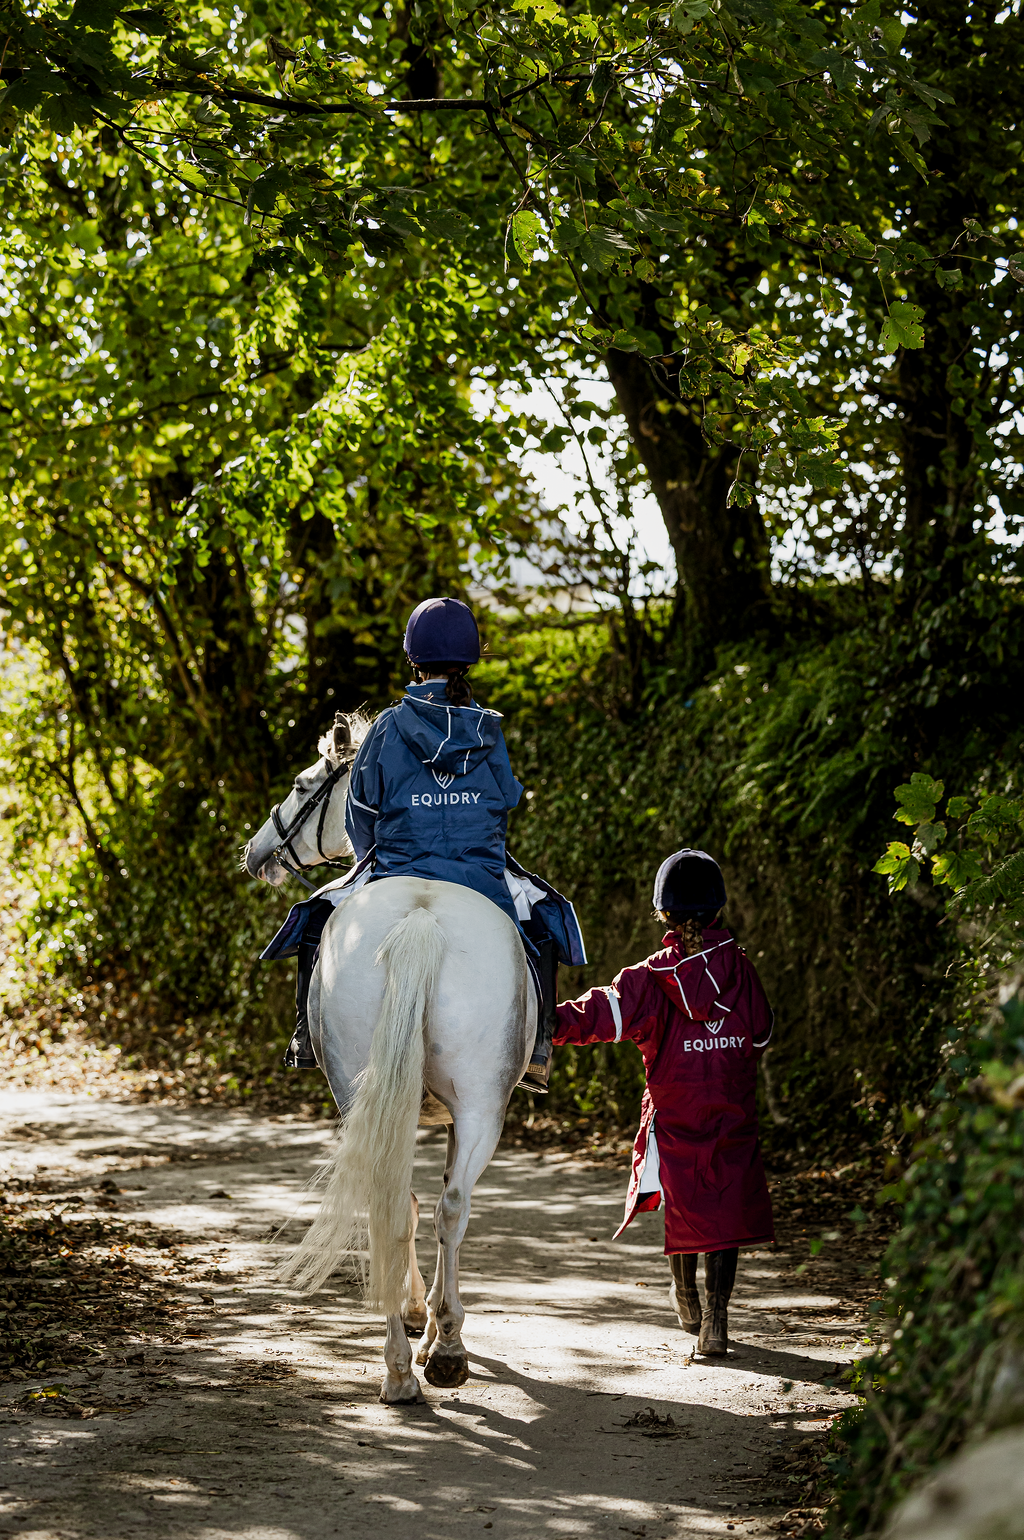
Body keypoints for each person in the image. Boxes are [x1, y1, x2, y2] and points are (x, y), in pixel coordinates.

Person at [275, 596, 584, 1092]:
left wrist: (378, 853)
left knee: (315, 920)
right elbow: (505, 799)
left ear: (412, 659)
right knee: (545, 922)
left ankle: (307, 1040)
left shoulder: (386, 728)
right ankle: (537, 1049)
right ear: (469, 660)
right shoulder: (489, 728)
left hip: (397, 870)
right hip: (480, 876)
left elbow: (360, 816)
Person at [552, 848, 775, 1355]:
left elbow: (598, 1017)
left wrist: (541, 1023)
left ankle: (686, 1295)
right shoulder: (741, 970)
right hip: (732, 1110)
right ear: (717, 908)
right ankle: (716, 1323)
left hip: (675, 1111)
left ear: (663, 913)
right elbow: (760, 1034)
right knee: (725, 1210)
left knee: (686, 1202)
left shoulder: (648, 978)